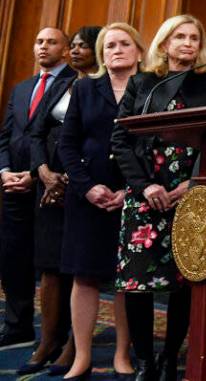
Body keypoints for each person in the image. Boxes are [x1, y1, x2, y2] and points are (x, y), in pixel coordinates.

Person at [111, 15, 206, 381]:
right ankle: (144, 359)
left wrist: (191, 186)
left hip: (190, 194)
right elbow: (120, 140)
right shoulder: (142, 83)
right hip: (145, 193)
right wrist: (145, 186)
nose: (188, 43)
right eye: (180, 36)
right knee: (138, 283)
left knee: (185, 281)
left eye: (194, 37)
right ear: (164, 43)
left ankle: (170, 357)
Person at [59, 23, 143, 380]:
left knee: (126, 278)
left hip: (132, 193)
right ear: (101, 53)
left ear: (138, 50)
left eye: (124, 44)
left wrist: (131, 189)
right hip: (88, 195)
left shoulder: (150, 88)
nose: (116, 50)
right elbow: (67, 144)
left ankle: (123, 353)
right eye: (109, 45)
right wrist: (86, 187)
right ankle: (82, 356)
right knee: (85, 276)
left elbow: (151, 145)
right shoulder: (84, 88)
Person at [23, 26, 102, 375]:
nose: (78, 51)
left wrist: (72, 176)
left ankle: (74, 343)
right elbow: (36, 131)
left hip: (82, 183)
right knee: (49, 265)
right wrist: (42, 171)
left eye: (86, 46)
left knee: (78, 265)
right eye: (77, 46)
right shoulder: (61, 83)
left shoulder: (103, 86)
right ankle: (48, 339)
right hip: (49, 184)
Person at [0, 28, 73, 352]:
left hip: (50, 184)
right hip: (12, 184)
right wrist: (3, 171)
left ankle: (54, 335)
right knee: (13, 256)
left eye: (52, 41)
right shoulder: (22, 88)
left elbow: (61, 139)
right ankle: (17, 327)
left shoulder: (76, 83)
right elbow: (6, 137)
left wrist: (34, 174)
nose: (43, 46)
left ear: (67, 50)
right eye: (39, 41)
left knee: (49, 264)